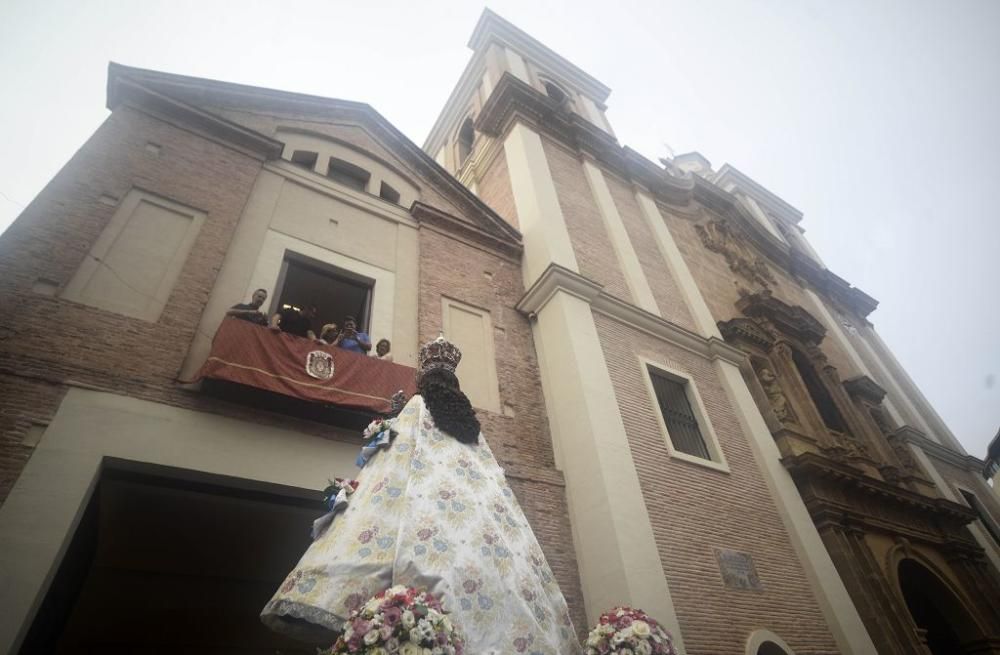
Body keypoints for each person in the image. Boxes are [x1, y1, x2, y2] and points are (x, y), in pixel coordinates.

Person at [261, 336, 581, 654]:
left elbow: (401, 453)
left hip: (417, 495)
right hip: (473, 513)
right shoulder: (468, 425)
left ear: (423, 379)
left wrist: (397, 416)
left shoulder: (417, 406)